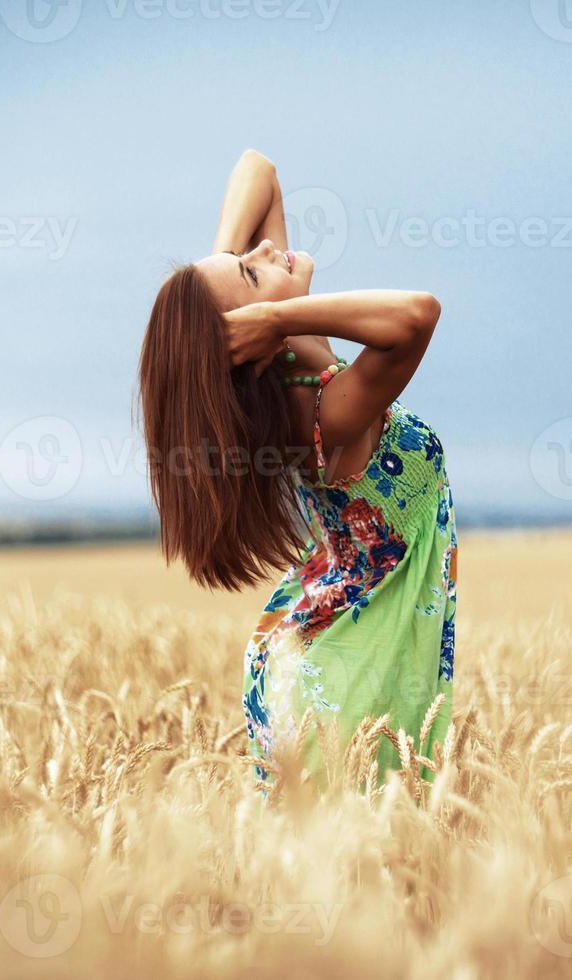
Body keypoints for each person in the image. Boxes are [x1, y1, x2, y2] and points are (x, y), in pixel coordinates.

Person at [136, 150, 457, 787]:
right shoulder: (321, 415)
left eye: (249, 259)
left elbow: (258, 170)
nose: (264, 254)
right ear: (259, 335)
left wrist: (227, 285)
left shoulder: (293, 363)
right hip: (337, 672)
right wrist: (273, 312)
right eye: (252, 274)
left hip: (327, 645)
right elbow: (419, 314)